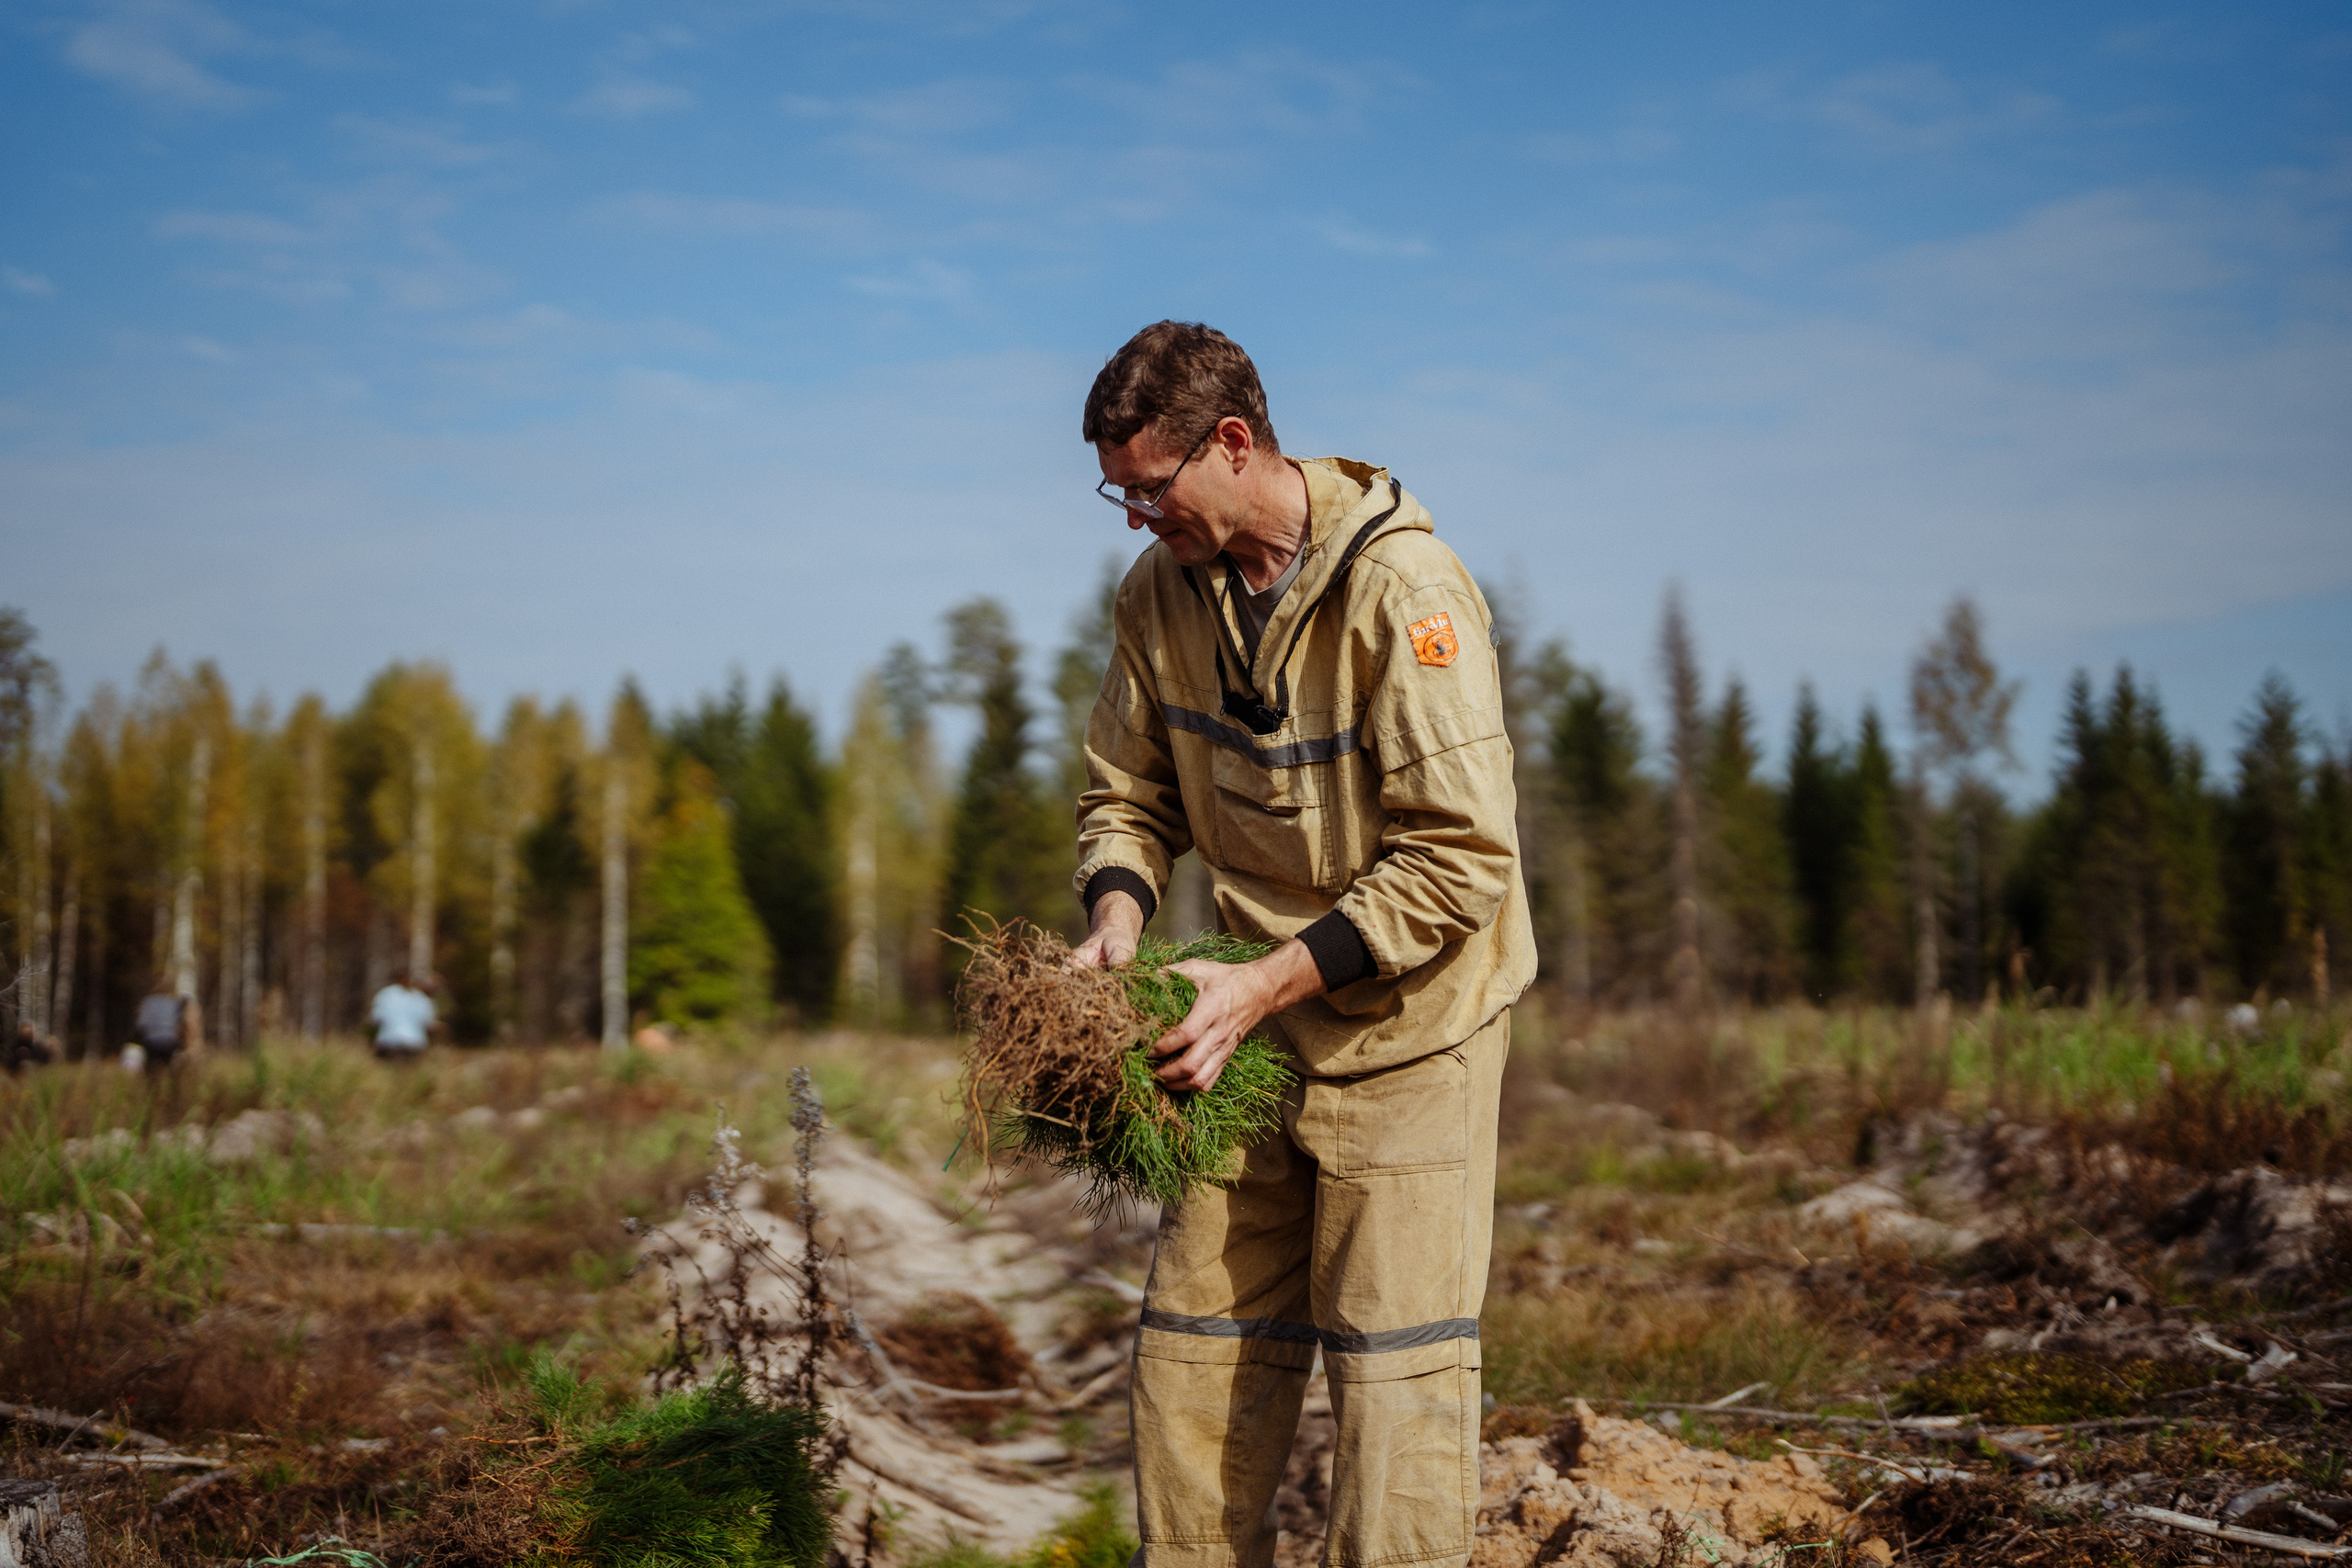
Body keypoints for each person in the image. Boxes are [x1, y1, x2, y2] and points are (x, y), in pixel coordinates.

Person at [1071, 321, 1534, 1568]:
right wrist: (1119, 917)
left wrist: (1261, 980)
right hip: (1248, 1039)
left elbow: (1461, 858)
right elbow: (1125, 791)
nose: (1133, 518)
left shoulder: (1406, 591)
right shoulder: (1158, 595)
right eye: (1115, 491)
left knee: (1393, 1396)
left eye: (1149, 489)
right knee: (1193, 1362)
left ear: (1233, 443)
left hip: (1410, 1040)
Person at [368, 970, 437, 1061]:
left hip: (388, 1043)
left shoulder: (385, 994)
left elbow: (375, 1019)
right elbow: (429, 1025)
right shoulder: (422, 999)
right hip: (415, 1044)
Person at [131, 981, 189, 1071]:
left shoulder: (147, 1002)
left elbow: (140, 1025)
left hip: (151, 1042)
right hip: (170, 1041)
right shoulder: (173, 1002)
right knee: (169, 1066)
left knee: (150, 1067)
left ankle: (151, 1080)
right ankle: (170, 1079)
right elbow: (180, 1022)